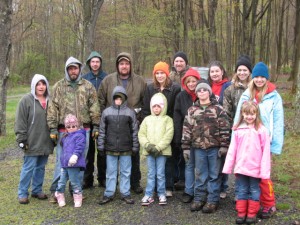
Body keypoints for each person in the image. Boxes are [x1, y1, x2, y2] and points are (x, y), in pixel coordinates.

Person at [234, 62, 284, 219]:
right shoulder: (246, 94)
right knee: (244, 173)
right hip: (246, 141)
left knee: (263, 175)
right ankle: (248, 202)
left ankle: (269, 204)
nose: (260, 80)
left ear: (267, 78)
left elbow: (278, 121)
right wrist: (233, 139)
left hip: (264, 142)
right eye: (257, 77)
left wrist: (275, 145)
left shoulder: (274, 96)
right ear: (252, 77)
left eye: (263, 77)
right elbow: (238, 117)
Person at [47, 56, 100, 203]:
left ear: (79, 69)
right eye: (70, 68)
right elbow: (52, 108)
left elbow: (94, 106)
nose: (73, 71)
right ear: (66, 70)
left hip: (83, 130)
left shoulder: (88, 86)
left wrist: (96, 125)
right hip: (64, 132)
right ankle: (56, 191)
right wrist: (52, 128)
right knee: (61, 161)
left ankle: (76, 190)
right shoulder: (58, 86)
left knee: (79, 160)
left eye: (75, 68)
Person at [98, 52, 147, 194]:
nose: (124, 66)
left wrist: (140, 119)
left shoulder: (140, 81)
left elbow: (145, 102)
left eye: (126, 63)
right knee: (110, 155)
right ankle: (108, 182)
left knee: (133, 153)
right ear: (117, 65)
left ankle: (134, 181)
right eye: (121, 64)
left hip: (133, 123)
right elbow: (100, 100)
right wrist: (104, 118)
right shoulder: (108, 80)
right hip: (112, 123)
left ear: (130, 65)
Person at [182, 81, 230, 213]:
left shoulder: (218, 109)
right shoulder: (192, 110)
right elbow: (187, 129)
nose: (202, 92)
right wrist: (186, 147)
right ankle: (199, 198)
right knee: (200, 174)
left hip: (215, 148)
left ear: (209, 92)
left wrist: (224, 145)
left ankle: (212, 200)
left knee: (214, 174)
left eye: (204, 90)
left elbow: (225, 128)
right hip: (198, 148)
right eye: (199, 90)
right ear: (196, 94)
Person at [223, 101, 271, 224]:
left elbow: (265, 152)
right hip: (241, 168)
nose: (249, 117)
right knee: (242, 190)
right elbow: (232, 149)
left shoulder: (262, 131)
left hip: (255, 169)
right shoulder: (238, 130)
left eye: (252, 114)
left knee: (254, 190)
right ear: (242, 114)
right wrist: (228, 167)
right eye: (246, 114)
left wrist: (264, 171)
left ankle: (251, 214)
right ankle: (241, 213)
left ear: (256, 114)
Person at [141, 61, 180, 197]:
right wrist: (146, 125)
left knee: (167, 159)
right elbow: (146, 109)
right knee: (153, 162)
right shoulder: (150, 88)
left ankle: (168, 186)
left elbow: (176, 110)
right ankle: (154, 188)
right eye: (157, 73)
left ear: (167, 74)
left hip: (167, 126)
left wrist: (172, 129)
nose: (159, 75)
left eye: (162, 72)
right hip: (153, 127)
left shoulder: (175, 88)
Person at [15, 74, 55, 204]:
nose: (41, 86)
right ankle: (22, 193)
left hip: (46, 141)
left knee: (41, 167)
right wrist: (21, 139)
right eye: (38, 84)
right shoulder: (26, 100)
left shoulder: (50, 100)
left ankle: (37, 190)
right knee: (28, 167)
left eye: (43, 84)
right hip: (31, 141)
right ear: (33, 85)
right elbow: (20, 121)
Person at [97, 86, 139, 205]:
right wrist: (100, 145)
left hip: (126, 148)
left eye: (121, 98)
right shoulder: (106, 112)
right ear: (113, 99)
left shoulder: (130, 113)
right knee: (110, 172)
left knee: (126, 172)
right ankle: (109, 193)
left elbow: (134, 131)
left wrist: (135, 146)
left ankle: (125, 193)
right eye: (116, 98)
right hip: (110, 148)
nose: (118, 100)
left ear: (125, 99)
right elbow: (102, 130)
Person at [139, 93, 174, 206]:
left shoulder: (167, 120)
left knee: (160, 173)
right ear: (151, 107)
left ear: (163, 107)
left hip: (161, 152)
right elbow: (141, 134)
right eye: (154, 106)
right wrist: (148, 145)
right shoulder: (147, 119)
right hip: (149, 151)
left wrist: (158, 147)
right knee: (150, 173)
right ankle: (148, 194)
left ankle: (161, 193)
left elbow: (169, 135)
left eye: (159, 106)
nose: (156, 108)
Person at [173, 68, 200, 203]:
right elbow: (177, 118)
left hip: (202, 138)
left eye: (194, 81)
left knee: (201, 166)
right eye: (188, 81)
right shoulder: (181, 96)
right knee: (189, 165)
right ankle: (188, 191)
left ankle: (200, 191)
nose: (191, 84)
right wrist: (178, 138)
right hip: (187, 137)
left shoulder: (204, 93)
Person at [82, 51, 107, 189]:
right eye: (93, 61)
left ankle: (102, 178)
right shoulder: (84, 79)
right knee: (88, 151)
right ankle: (87, 178)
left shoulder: (107, 77)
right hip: (89, 120)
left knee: (102, 150)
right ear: (89, 63)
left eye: (97, 61)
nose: (95, 64)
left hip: (104, 119)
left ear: (100, 63)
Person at [208, 60, 232, 199]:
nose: (215, 73)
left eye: (217, 71)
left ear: (222, 72)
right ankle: (212, 186)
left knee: (222, 157)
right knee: (212, 158)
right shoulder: (208, 86)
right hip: (210, 128)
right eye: (212, 71)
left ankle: (223, 186)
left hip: (223, 127)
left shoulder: (227, 86)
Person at [55, 114, 86, 208]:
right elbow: (64, 150)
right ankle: (59, 194)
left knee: (74, 181)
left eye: (74, 126)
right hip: (65, 164)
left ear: (77, 126)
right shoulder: (65, 137)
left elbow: (79, 147)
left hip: (74, 164)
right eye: (69, 126)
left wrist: (75, 156)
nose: (71, 128)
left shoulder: (80, 136)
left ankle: (77, 197)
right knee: (62, 181)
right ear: (66, 127)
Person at [223, 55, 252, 127]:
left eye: (245, 70)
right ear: (236, 72)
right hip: (236, 127)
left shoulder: (254, 89)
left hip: (253, 128)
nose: (242, 73)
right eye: (239, 70)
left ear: (249, 72)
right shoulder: (229, 90)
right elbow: (226, 112)